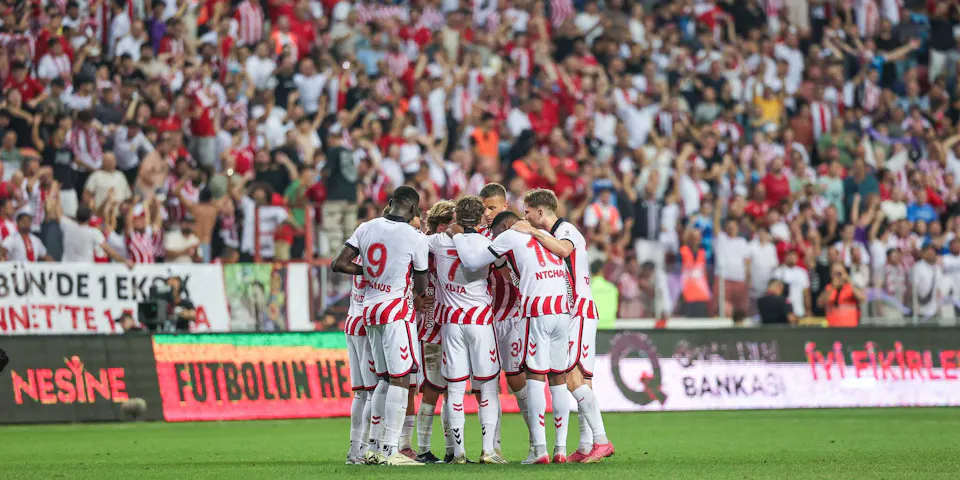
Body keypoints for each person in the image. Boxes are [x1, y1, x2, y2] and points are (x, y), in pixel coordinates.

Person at [451, 207, 571, 465]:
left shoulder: (509, 235)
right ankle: (561, 449)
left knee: (534, 378)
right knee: (558, 379)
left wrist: (458, 235)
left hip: (535, 311)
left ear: (505, 225)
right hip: (562, 310)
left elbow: (472, 262)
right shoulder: (546, 235)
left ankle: (540, 450)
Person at [510, 188, 614, 463]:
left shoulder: (566, 230)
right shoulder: (553, 234)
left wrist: (532, 232)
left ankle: (602, 440)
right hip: (574, 311)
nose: (525, 217)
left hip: (578, 310)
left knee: (571, 378)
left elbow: (564, 249)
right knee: (581, 379)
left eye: (528, 212)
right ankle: (586, 444)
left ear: (540, 212)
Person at [331, 186, 428, 467]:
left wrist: (370, 272)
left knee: (382, 380)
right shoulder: (415, 237)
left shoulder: (366, 227)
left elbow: (339, 263)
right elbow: (421, 284)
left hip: (369, 310)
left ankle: (371, 449)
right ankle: (389, 450)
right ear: (413, 209)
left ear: (391, 202)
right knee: (400, 378)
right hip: (395, 311)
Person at [424, 196, 504, 464]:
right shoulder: (487, 243)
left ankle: (458, 453)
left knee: (455, 389)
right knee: (487, 388)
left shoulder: (438, 241)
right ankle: (488, 451)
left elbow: (418, 241)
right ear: (480, 217)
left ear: (456, 216)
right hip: (479, 320)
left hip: (451, 321)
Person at [414, 201, 453, 465]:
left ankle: (452, 450)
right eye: (449, 223)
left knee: (452, 389)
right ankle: (423, 449)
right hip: (430, 326)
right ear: (440, 225)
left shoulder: (453, 247)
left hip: (452, 324)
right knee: (432, 389)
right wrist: (414, 299)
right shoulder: (423, 248)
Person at [343, 256, 375, 465]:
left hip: (352, 320)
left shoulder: (358, 256)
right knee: (373, 392)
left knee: (360, 393)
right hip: (366, 324)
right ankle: (364, 450)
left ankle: (354, 450)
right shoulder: (375, 257)